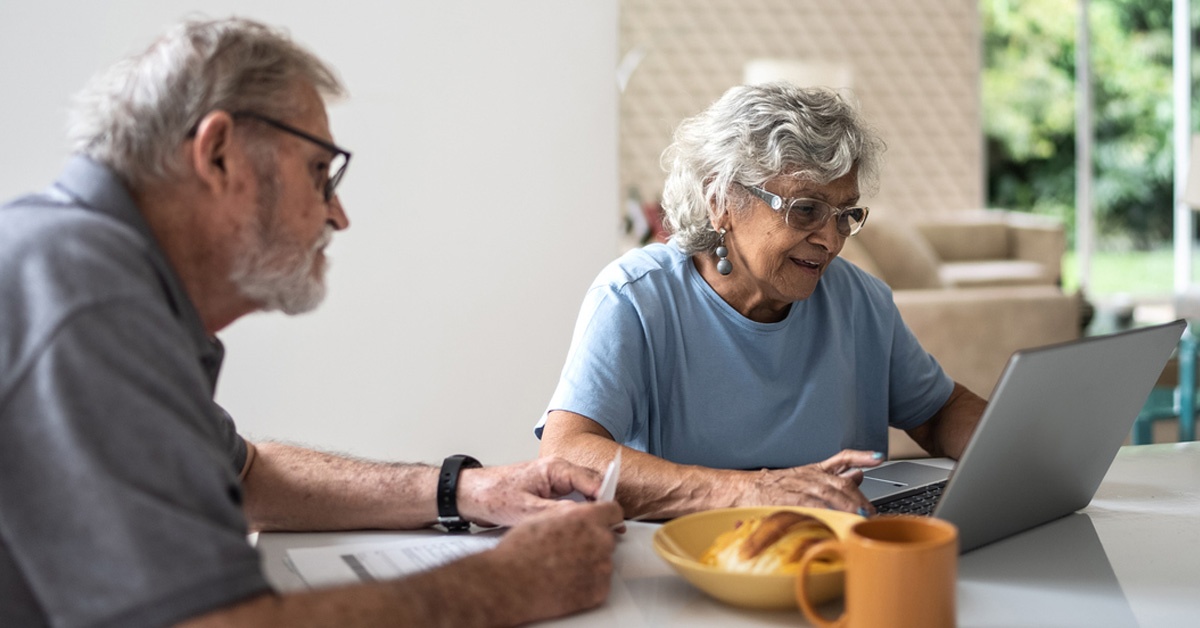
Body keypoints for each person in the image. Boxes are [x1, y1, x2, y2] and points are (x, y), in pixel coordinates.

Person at [0, 17, 623, 628]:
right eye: (319, 172)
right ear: (218, 155)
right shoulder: (88, 302)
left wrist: (467, 490)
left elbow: (246, 474)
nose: (339, 215)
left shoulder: (78, 266)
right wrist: (509, 583)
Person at [536, 83, 987, 521]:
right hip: (683, 564)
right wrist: (748, 491)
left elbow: (938, 412)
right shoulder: (635, 298)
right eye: (805, 209)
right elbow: (567, 453)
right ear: (721, 200)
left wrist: (1025, 455)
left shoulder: (860, 299)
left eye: (845, 215)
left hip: (840, 551)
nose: (830, 240)